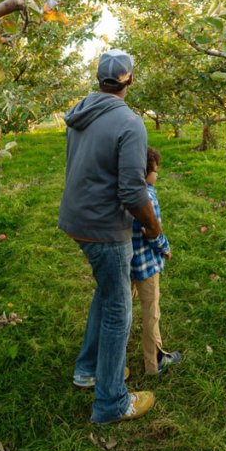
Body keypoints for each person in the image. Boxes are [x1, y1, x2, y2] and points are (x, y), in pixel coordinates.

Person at [58, 49, 162, 424]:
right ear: (129, 79)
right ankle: (111, 402)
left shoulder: (81, 111)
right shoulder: (129, 124)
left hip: (76, 218)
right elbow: (132, 192)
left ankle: (88, 370)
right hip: (104, 228)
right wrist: (153, 226)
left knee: (105, 294)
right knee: (119, 308)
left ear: (99, 78)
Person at [131, 147, 182, 375]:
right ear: (146, 172)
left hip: (125, 261)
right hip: (146, 264)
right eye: (155, 171)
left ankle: (112, 356)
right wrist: (166, 248)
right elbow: (152, 231)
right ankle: (155, 362)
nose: (157, 175)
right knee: (151, 311)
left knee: (120, 309)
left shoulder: (122, 191)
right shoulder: (147, 197)